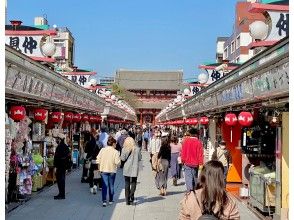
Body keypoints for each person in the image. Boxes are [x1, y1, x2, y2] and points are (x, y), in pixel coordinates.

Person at [96, 136, 120, 207]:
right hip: (112, 170)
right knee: (111, 185)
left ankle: (104, 201)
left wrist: (99, 168)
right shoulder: (115, 152)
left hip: (103, 170)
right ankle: (110, 200)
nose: (116, 145)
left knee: (104, 186)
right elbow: (117, 162)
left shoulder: (102, 150)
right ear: (113, 144)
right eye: (115, 144)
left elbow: (98, 160)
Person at [121, 137, 142, 205]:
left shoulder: (124, 149)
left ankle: (127, 200)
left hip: (127, 167)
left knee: (127, 183)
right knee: (133, 182)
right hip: (134, 167)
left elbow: (123, 159)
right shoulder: (137, 149)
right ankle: (131, 195)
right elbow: (140, 158)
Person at [53, 133, 71, 200]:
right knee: (62, 180)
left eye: (58, 139)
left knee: (60, 180)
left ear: (60, 139)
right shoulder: (65, 146)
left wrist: (55, 165)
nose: (57, 140)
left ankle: (61, 194)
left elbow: (57, 157)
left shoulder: (60, 147)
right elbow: (68, 156)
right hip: (64, 166)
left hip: (60, 166)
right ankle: (61, 193)